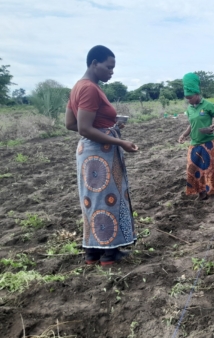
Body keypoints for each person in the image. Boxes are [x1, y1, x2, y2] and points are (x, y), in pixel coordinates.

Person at [65, 45, 138, 266]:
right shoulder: (90, 89)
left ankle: (92, 253)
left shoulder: (78, 87)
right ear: (94, 64)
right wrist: (119, 141)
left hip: (88, 151)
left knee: (91, 201)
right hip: (100, 153)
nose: (111, 72)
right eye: (109, 67)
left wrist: (108, 127)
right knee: (108, 199)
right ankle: (109, 254)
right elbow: (84, 128)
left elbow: (70, 123)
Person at [178, 73, 214, 200]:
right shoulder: (189, 109)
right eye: (187, 98)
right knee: (193, 168)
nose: (188, 100)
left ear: (197, 94)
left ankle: (212, 190)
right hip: (194, 143)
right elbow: (192, 124)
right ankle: (200, 192)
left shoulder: (208, 105)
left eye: (190, 97)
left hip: (208, 143)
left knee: (212, 169)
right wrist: (184, 135)